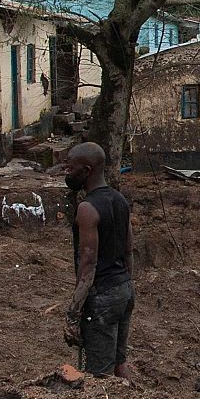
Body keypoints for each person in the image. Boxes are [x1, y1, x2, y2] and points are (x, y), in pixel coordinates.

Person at [62, 142, 136, 379]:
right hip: (123, 291)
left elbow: (88, 264)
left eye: (69, 169)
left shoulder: (87, 208)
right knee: (119, 363)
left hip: (102, 298)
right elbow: (129, 249)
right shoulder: (120, 200)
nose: (67, 174)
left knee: (98, 377)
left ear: (87, 170)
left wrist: (73, 313)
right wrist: (126, 286)